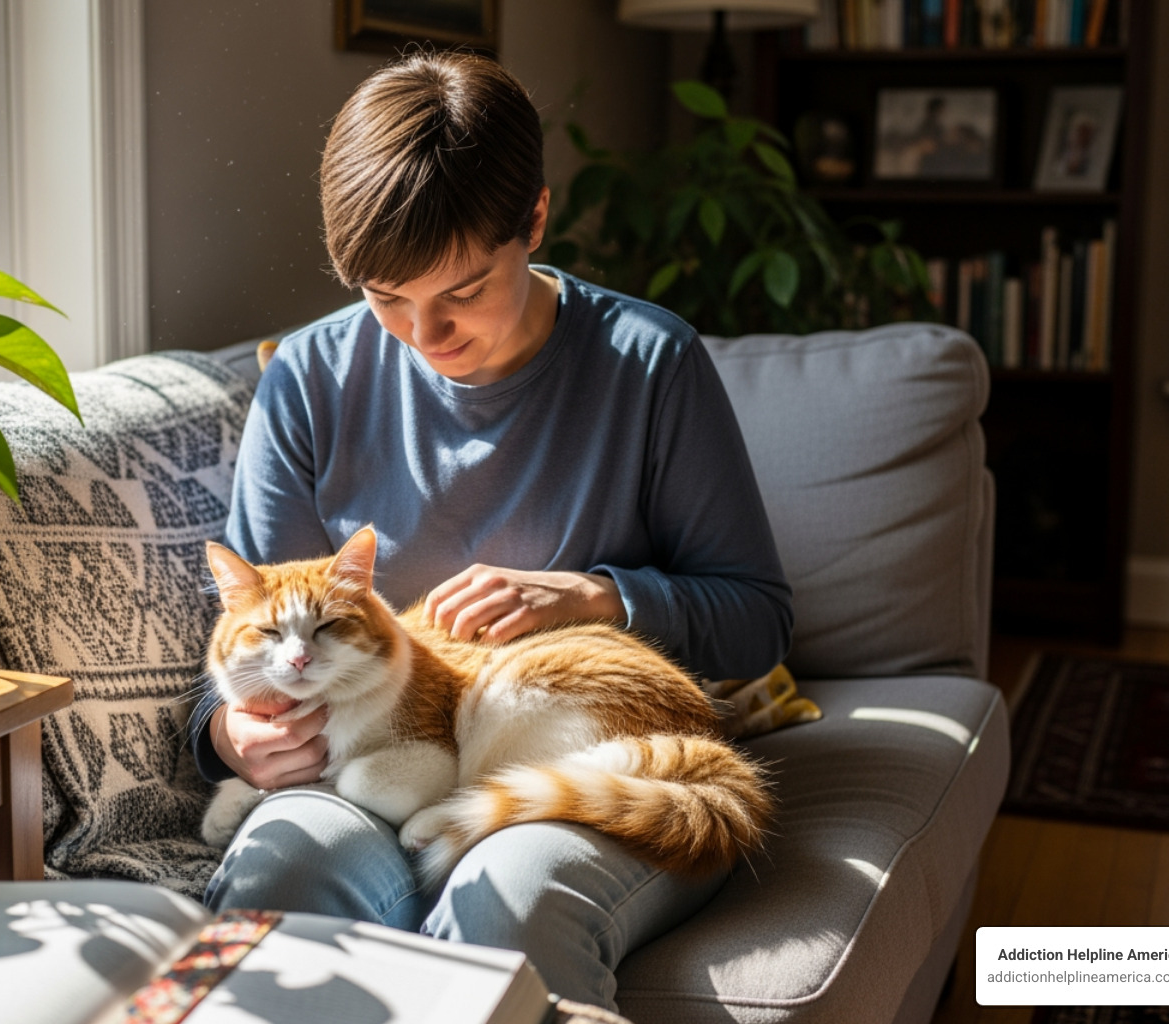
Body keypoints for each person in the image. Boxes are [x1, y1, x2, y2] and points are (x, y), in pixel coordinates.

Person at [187, 50, 792, 1011]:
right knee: (280, 891)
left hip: (585, 759)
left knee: (508, 907)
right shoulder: (307, 378)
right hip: (365, 768)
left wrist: (601, 594)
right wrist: (231, 737)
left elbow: (759, 619)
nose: (424, 337)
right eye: (385, 298)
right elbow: (242, 650)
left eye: (461, 292)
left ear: (536, 222)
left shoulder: (649, 362)